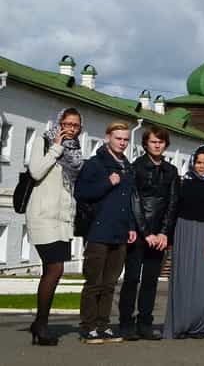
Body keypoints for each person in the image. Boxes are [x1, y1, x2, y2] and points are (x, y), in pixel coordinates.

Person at [25, 108, 85, 346]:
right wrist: (56, 147)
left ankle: (40, 322)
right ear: (59, 123)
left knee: (53, 269)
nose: (71, 129)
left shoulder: (76, 152)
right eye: (67, 124)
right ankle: (41, 325)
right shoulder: (44, 141)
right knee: (55, 268)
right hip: (42, 215)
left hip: (63, 219)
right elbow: (36, 171)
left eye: (76, 125)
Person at [74, 122, 138, 344]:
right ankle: (88, 327)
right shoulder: (95, 164)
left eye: (125, 139)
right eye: (118, 138)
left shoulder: (127, 167)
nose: (122, 142)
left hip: (120, 232)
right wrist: (106, 183)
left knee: (110, 283)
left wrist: (131, 226)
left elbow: (128, 201)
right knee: (94, 282)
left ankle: (103, 325)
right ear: (108, 137)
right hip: (98, 230)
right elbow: (81, 193)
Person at [119, 125, 179, 341]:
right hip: (138, 233)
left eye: (161, 142)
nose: (157, 145)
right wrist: (146, 232)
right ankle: (126, 323)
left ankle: (145, 323)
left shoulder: (171, 171)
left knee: (151, 280)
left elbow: (172, 204)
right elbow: (134, 202)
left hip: (159, 236)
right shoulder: (136, 168)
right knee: (132, 278)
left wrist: (164, 233)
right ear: (145, 144)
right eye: (153, 141)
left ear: (165, 145)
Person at [164, 146, 204, 339]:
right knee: (182, 278)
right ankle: (180, 324)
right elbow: (173, 210)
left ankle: (199, 326)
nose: (201, 167)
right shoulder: (184, 182)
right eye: (198, 162)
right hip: (183, 231)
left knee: (203, 281)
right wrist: (170, 238)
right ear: (193, 162)